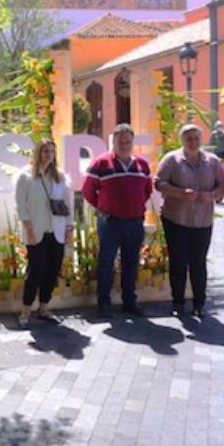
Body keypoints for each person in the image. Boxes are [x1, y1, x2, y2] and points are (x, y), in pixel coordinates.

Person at [155, 124, 224, 318]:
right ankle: (178, 302)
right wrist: (180, 193)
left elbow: (223, 184)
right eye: (188, 139)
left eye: (196, 138)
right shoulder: (171, 160)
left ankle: (199, 303)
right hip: (175, 219)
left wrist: (212, 195)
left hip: (202, 221)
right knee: (178, 262)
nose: (193, 142)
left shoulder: (212, 162)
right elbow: (159, 183)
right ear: (182, 140)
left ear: (201, 140)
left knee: (198, 262)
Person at [82, 123, 153, 319]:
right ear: (112, 142)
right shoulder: (101, 163)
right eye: (120, 141)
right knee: (106, 263)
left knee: (131, 263)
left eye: (127, 141)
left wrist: (134, 206)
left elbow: (147, 190)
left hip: (135, 223)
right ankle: (104, 303)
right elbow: (88, 191)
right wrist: (105, 207)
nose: (124, 144)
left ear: (132, 143)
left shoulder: (141, 164)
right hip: (110, 223)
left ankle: (129, 301)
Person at [14, 138, 75, 329]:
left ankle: (43, 307)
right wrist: (29, 229)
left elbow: (67, 204)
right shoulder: (25, 177)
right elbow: (21, 205)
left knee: (52, 270)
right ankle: (25, 310)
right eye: (45, 151)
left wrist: (69, 228)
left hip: (56, 230)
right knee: (35, 272)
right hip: (37, 231)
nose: (48, 155)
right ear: (38, 153)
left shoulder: (60, 176)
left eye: (51, 151)